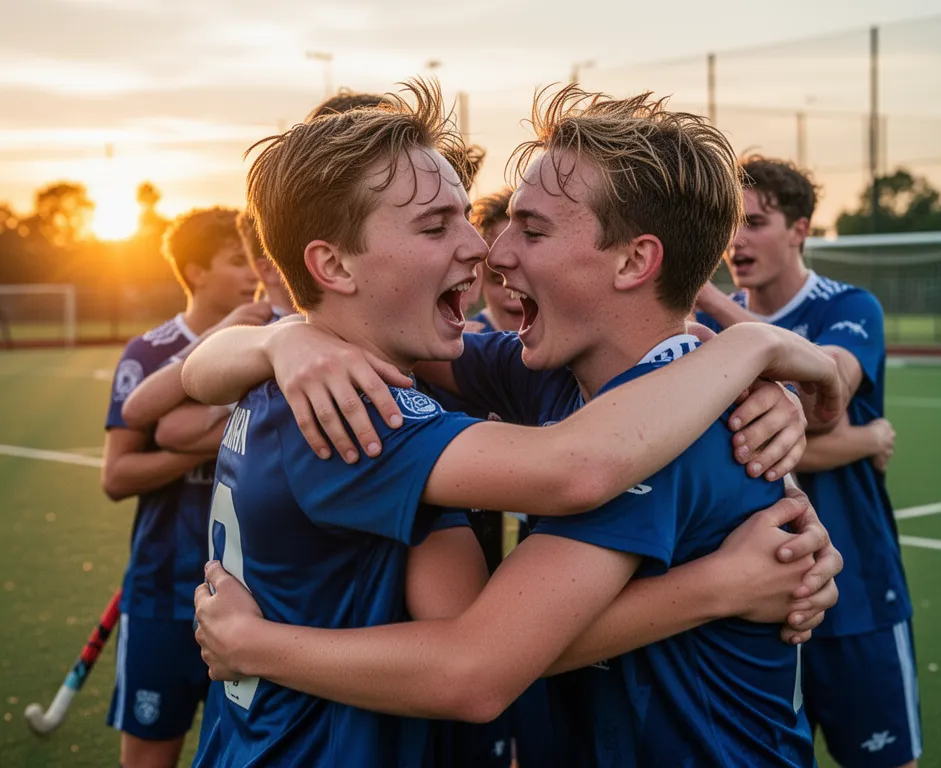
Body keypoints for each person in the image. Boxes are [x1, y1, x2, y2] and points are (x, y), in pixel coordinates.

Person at [186, 82, 843, 767]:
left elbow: (479, 649)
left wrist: (759, 356)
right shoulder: (373, 401)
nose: (490, 253)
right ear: (332, 264)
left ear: (633, 260)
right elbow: (482, 645)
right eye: (440, 226)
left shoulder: (674, 429)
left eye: (530, 231)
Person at [694, 155, 919, 768]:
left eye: (757, 221)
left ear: (800, 229)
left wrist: (708, 299)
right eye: (731, 224)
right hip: (758, 605)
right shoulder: (698, 333)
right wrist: (863, 440)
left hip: (858, 593)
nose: (738, 239)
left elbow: (823, 401)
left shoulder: (847, 306)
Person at [100, 207, 262, 768]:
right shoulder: (147, 352)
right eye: (237, 261)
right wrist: (213, 443)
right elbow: (116, 477)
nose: (252, 272)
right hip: (162, 591)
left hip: (250, 598)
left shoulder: (268, 343)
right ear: (194, 273)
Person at [467, 188, 521, 333]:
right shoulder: (466, 343)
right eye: (498, 279)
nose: (512, 292)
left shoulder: (573, 341)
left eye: (530, 278)